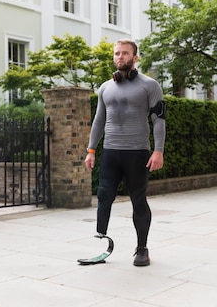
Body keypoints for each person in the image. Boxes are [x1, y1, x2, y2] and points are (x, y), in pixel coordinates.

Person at [85, 38, 166, 267]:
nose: (120, 57)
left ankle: (142, 248)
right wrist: (91, 150)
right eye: (117, 53)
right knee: (104, 195)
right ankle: (102, 238)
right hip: (111, 151)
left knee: (138, 200)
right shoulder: (105, 87)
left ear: (135, 57)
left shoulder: (150, 85)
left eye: (125, 53)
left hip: (137, 152)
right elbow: (99, 120)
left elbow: (159, 120)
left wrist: (158, 151)